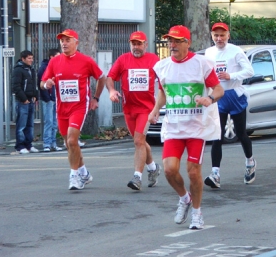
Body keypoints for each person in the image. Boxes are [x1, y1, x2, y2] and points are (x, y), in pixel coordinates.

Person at [148, 25, 224, 230]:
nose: (172, 45)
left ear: (187, 43)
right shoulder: (162, 67)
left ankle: (197, 213)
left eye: (176, 41)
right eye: (170, 41)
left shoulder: (201, 64)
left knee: (193, 172)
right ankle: (185, 198)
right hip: (173, 127)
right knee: (170, 170)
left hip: (196, 128)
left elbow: (218, 89)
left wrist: (209, 98)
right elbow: (163, 92)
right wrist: (156, 109)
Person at [40, 29, 106, 190]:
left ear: (76, 42)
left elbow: (101, 77)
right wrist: (46, 84)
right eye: (62, 40)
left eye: (68, 40)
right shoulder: (54, 62)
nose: (64, 43)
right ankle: (84, 172)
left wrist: (95, 98)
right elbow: (42, 82)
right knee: (70, 144)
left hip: (79, 107)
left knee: (71, 140)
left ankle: (74, 177)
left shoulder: (86, 61)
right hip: (62, 108)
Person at [106, 31, 161, 191]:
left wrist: (157, 108)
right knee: (140, 142)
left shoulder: (154, 60)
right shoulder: (123, 59)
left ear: (146, 45)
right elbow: (110, 77)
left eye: (139, 44)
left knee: (138, 141)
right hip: (129, 109)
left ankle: (137, 177)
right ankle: (153, 168)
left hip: (146, 109)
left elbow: (164, 83)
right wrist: (111, 91)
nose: (136, 47)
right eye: (133, 44)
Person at [204, 23, 255, 188]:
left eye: (222, 35)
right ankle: (215, 173)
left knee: (241, 133)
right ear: (212, 36)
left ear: (228, 35)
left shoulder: (236, 51)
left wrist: (230, 75)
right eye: (216, 35)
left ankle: (250, 162)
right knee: (217, 135)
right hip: (218, 96)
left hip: (234, 95)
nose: (219, 39)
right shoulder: (209, 52)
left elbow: (250, 71)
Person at [12, 50, 39, 154]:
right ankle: (20, 146)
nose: (31, 60)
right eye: (29, 58)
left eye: (32, 58)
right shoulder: (18, 70)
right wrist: (24, 99)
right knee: (21, 125)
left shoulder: (31, 70)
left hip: (30, 100)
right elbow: (16, 87)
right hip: (22, 101)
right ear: (23, 59)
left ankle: (29, 144)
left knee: (30, 125)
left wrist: (36, 96)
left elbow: (34, 84)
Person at [37, 48, 63, 152]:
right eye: (57, 56)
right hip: (49, 99)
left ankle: (53, 143)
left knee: (55, 122)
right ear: (52, 57)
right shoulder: (44, 68)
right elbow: (41, 83)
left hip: (55, 98)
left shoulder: (58, 67)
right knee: (49, 122)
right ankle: (47, 144)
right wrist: (47, 98)